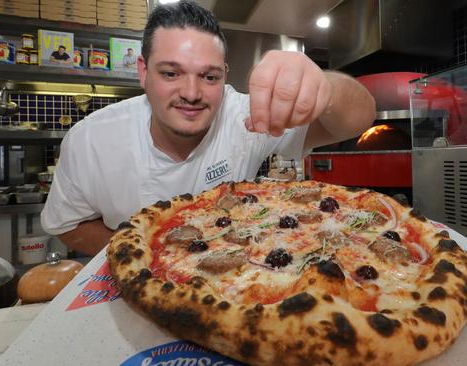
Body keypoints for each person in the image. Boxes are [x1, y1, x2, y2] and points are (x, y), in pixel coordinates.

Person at [40, 1, 376, 256]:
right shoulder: (90, 140)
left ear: (225, 75)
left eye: (209, 76)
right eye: (171, 73)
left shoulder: (245, 118)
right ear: (143, 71)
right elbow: (68, 224)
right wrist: (144, 252)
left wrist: (326, 88)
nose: (191, 92)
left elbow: (358, 119)